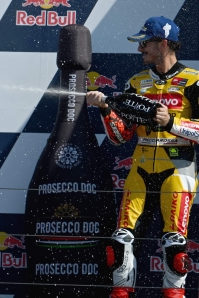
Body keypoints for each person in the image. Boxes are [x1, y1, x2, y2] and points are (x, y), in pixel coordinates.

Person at [87, 16, 199, 298]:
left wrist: (171, 122)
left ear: (162, 44)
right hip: (140, 165)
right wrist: (105, 110)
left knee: (175, 246)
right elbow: (120, 136)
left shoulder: (194, 81)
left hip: (179, 164)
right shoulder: (136, 82)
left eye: (144, 43)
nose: (140, 50)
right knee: (119, 243)